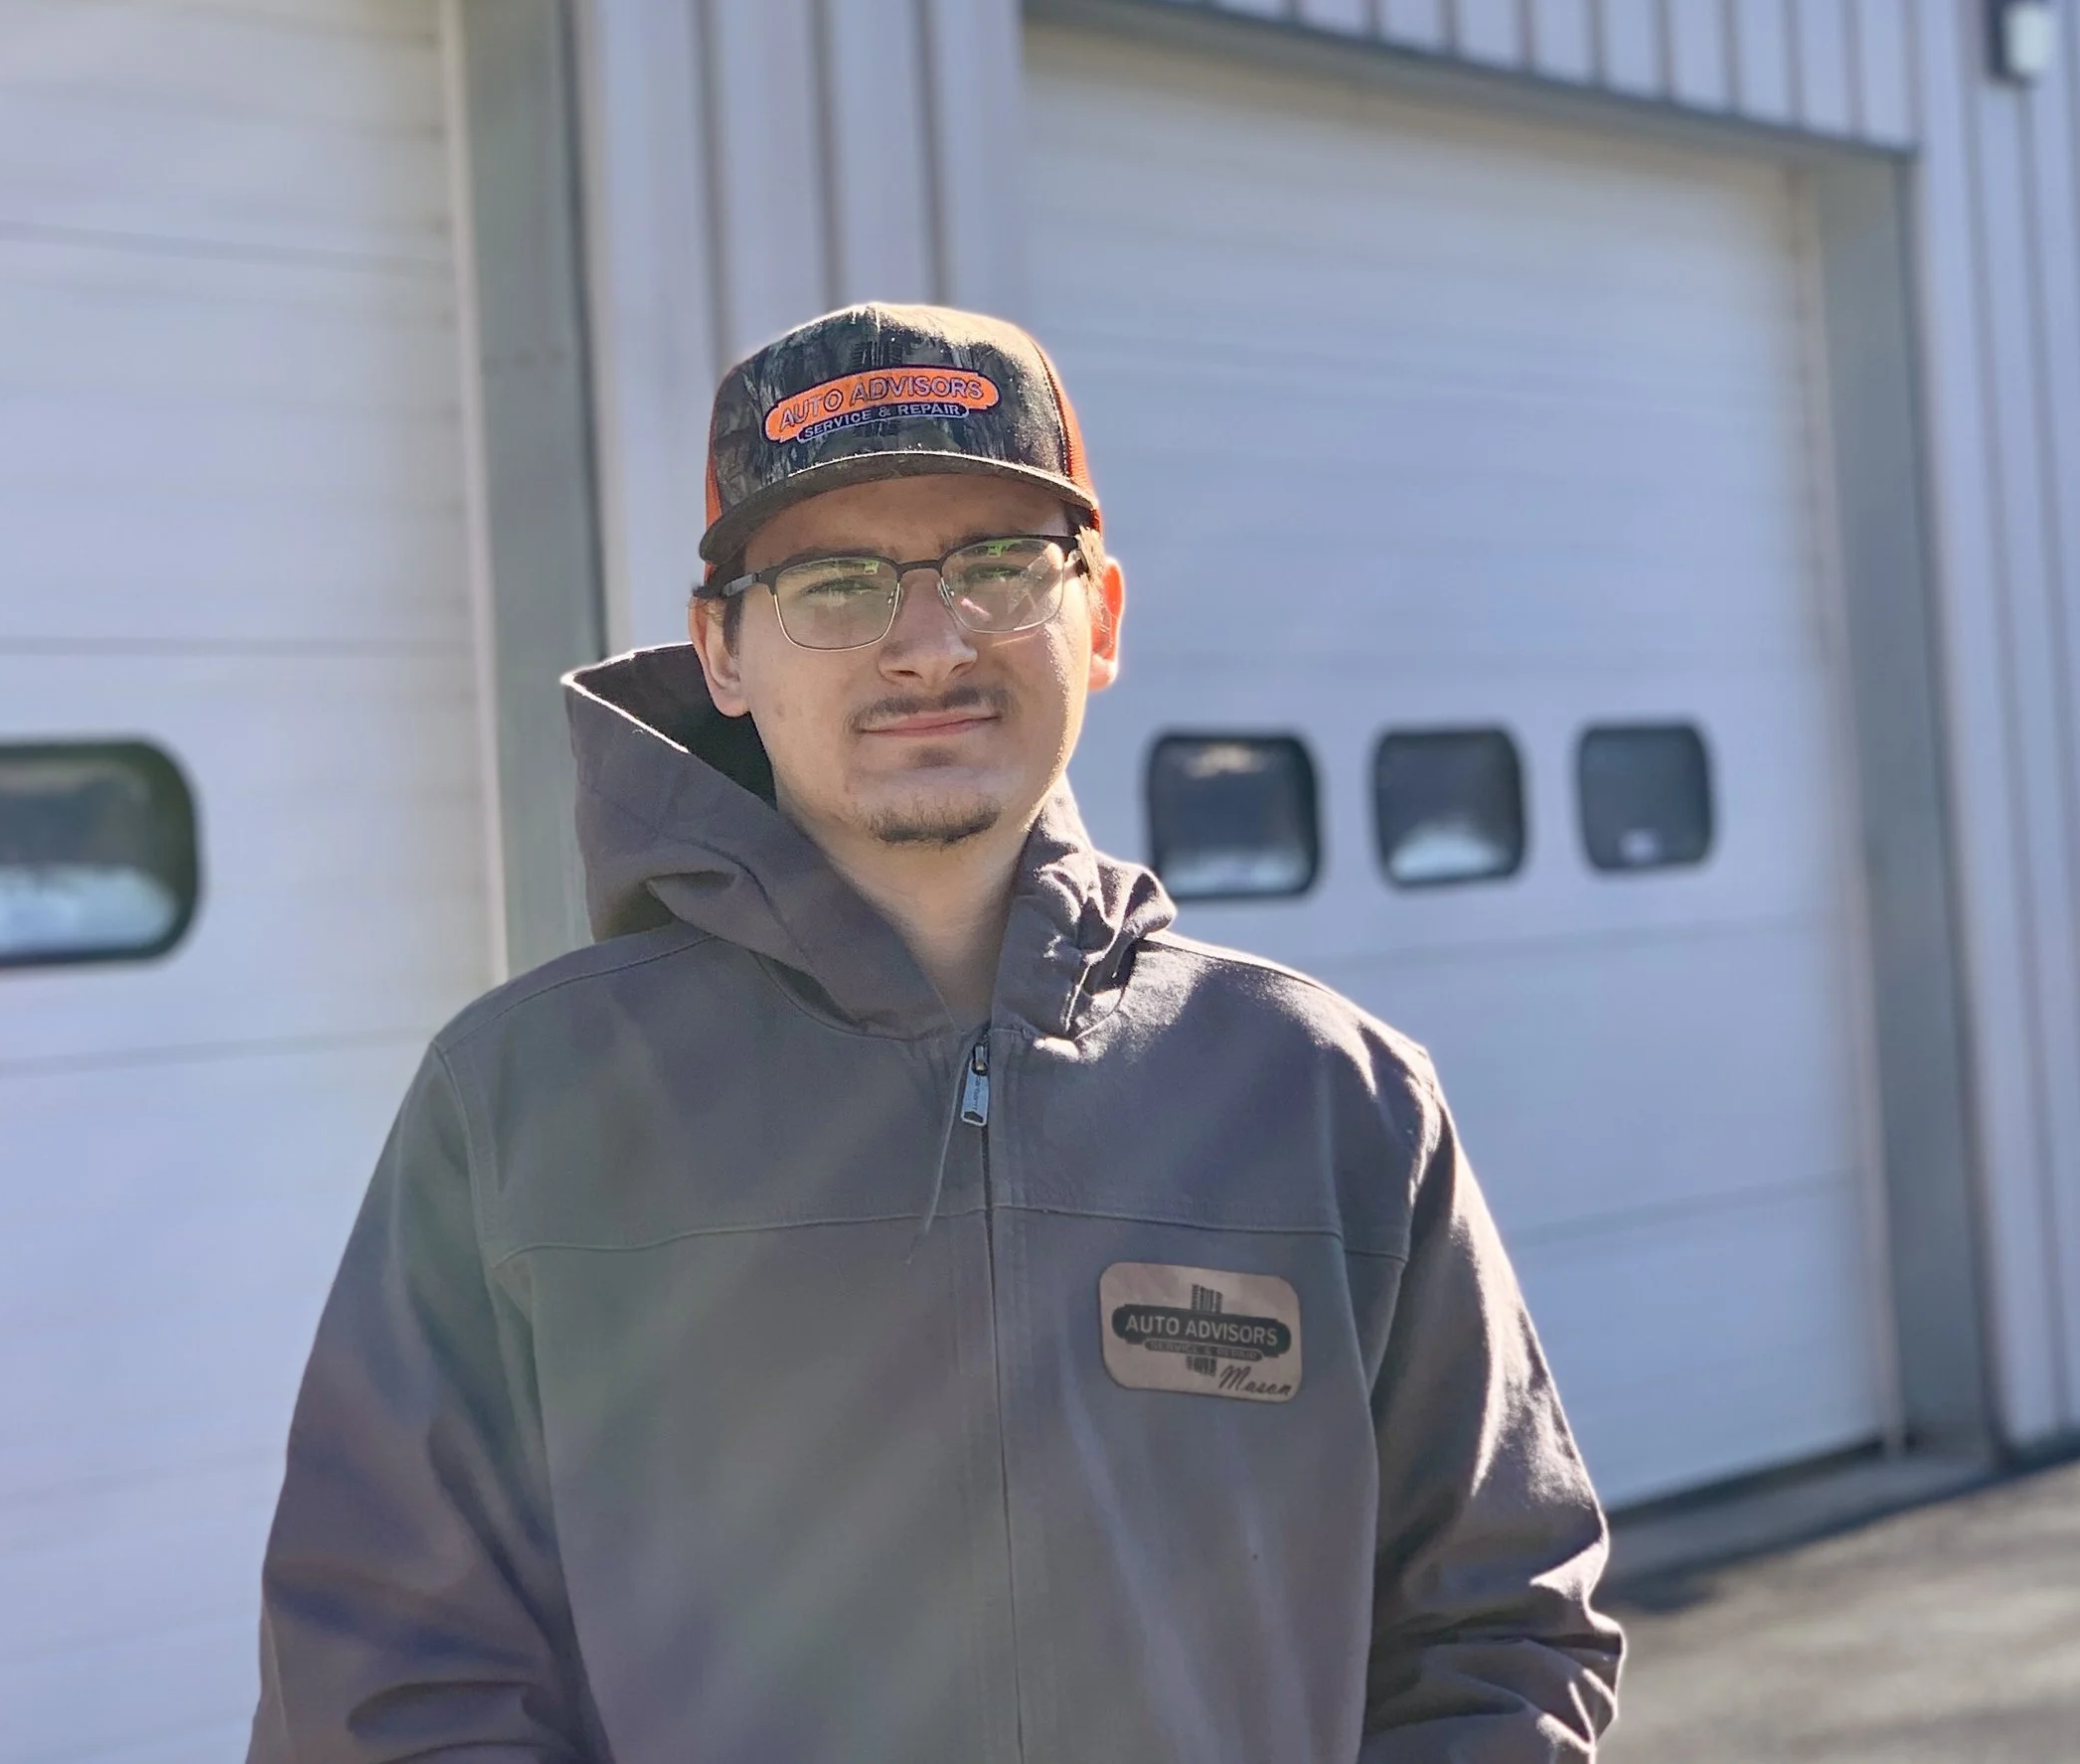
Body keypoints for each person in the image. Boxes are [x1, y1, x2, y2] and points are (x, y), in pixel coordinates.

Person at [247, 303, 1623, 1762]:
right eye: (835, 583)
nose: (928, 640)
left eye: (999, 566)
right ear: (722, 647)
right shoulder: (525, 1109)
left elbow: (1500, 1624)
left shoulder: (1329, 1098)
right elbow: (388, 1682)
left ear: (1098, 619)